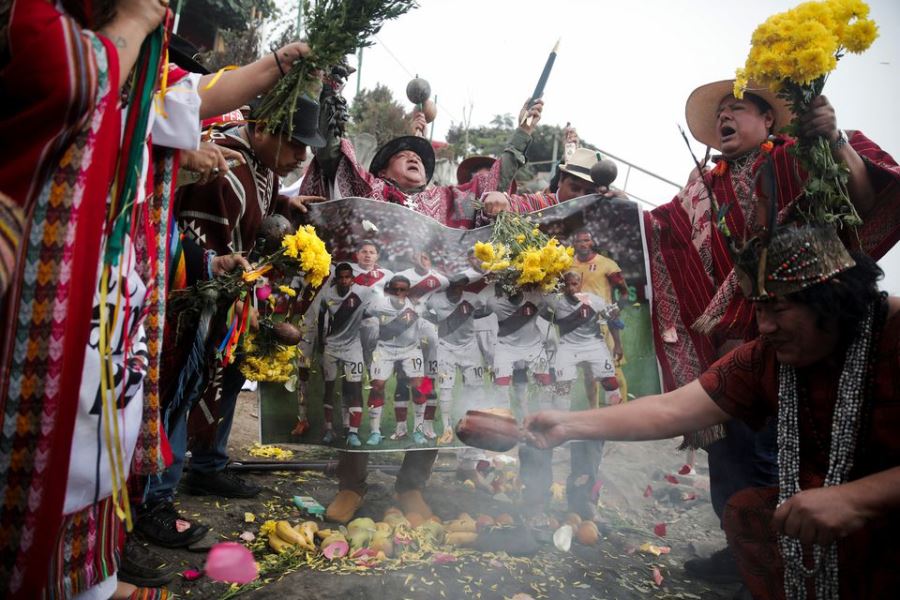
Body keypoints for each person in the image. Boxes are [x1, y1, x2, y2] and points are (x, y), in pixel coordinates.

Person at [523, 227, 900, 600]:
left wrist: (857, 498)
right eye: (758, 309)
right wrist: (566, 425)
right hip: (827, 526)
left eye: (778, 309)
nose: (764, 327)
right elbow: (673, 409)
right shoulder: (766, 357)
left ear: (832, 300)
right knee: (750, 513)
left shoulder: (893, 334)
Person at [642, 79, 900, 583]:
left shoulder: (791, 156)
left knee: (780, 458)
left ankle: (791, 565)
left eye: (737, 108)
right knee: (728, 460)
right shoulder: (698, 188)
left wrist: (834, 140)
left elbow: (862, 203)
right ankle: (744, 555)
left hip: (799, 342)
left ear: (768, 121)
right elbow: (656, 237)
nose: (724, 117)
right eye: (720, 112)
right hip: (728, 350)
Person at [136, 96, 327, 549]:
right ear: (260, 129)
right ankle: (153, 501)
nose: (302, 155)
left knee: (221, 380)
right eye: (295, 143)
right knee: (179, 390)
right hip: (188, 300)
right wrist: (235, 291)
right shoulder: (220, 167)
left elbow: (255, 203)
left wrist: (283, 198)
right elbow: (190, 237)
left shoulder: (262, 166)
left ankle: (207, 467)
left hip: (230, 295)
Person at [299, 96, 551, 226]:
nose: (414, 158)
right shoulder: (367, 188)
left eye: (419, 157)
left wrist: (524, 130)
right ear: (382, 171)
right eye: (402, 155)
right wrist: (330, 88)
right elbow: (332, 154)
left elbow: (492, 184)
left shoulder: (445, 200)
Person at [326, 275, 438, 524]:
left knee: (424, 387)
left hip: (413, 347)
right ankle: (351, 487)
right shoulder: (374, 298)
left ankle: (411, 486)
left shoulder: (421, 300)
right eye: (395, 290)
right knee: (370, 386)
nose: (399, 294)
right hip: (380, 346)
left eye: (403, 290)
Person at [541, 271, 622, 519]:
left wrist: (617, 343)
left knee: (610, 381)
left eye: (575, 283)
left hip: (593, 344)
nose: (571, 286)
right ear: (563, 285)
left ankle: (614, 418)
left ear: (581, 284)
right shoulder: (554, 301)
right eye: (567, 283)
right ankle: (560, 420)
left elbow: (612, 320)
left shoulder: (594, 300)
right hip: (568, 345)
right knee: (563, 385)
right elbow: (541, 321)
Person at [424, 274, 488, 445]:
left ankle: (472, 425)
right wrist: (439, 323)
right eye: (454, 286)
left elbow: (485, 310)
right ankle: (447, 429)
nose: (457, 290)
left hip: (470, 347)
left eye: (461, 286)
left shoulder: (473, 299)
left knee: (475, 386)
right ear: (448, 286)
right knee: (445, 387)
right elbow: (424, 312)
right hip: (446, 347)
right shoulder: (436, 300)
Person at [316, 263, 375, 447]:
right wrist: (321, 342)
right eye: (340, 277)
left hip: (353, 347)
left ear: (352, 278)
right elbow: (320, 318)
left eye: (347, 277)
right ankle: (328, 429)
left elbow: (374, 310)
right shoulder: (327, 295)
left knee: (355, 388)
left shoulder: (363, 293)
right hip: (332, 346)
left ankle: (353, 433)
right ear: (336, 279)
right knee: (329, 388)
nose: (344, 281)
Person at [569, 227, 629, 404]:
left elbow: (624, 292)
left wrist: (617, 308)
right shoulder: (568, 265)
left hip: (603, 324)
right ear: (574, 244)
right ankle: (593, 412)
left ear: (592, 242)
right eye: (580, 241)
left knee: (613, 371)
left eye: (587, 240)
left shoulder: (606, 264)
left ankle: (623, 410)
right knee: (589, 374)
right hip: (579, 327)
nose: (584, 244)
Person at [394, 249, 448, 441]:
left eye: (426, 257)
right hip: (406, 332)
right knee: (402, 379)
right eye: (419, 256)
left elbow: (446, 305)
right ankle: (401, 428)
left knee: (427, 381)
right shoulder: (401, 277)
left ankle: (427, 425)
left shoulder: (441, 280)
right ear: (412, 258)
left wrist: (431, 315)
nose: (422, 260)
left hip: (429, 335)